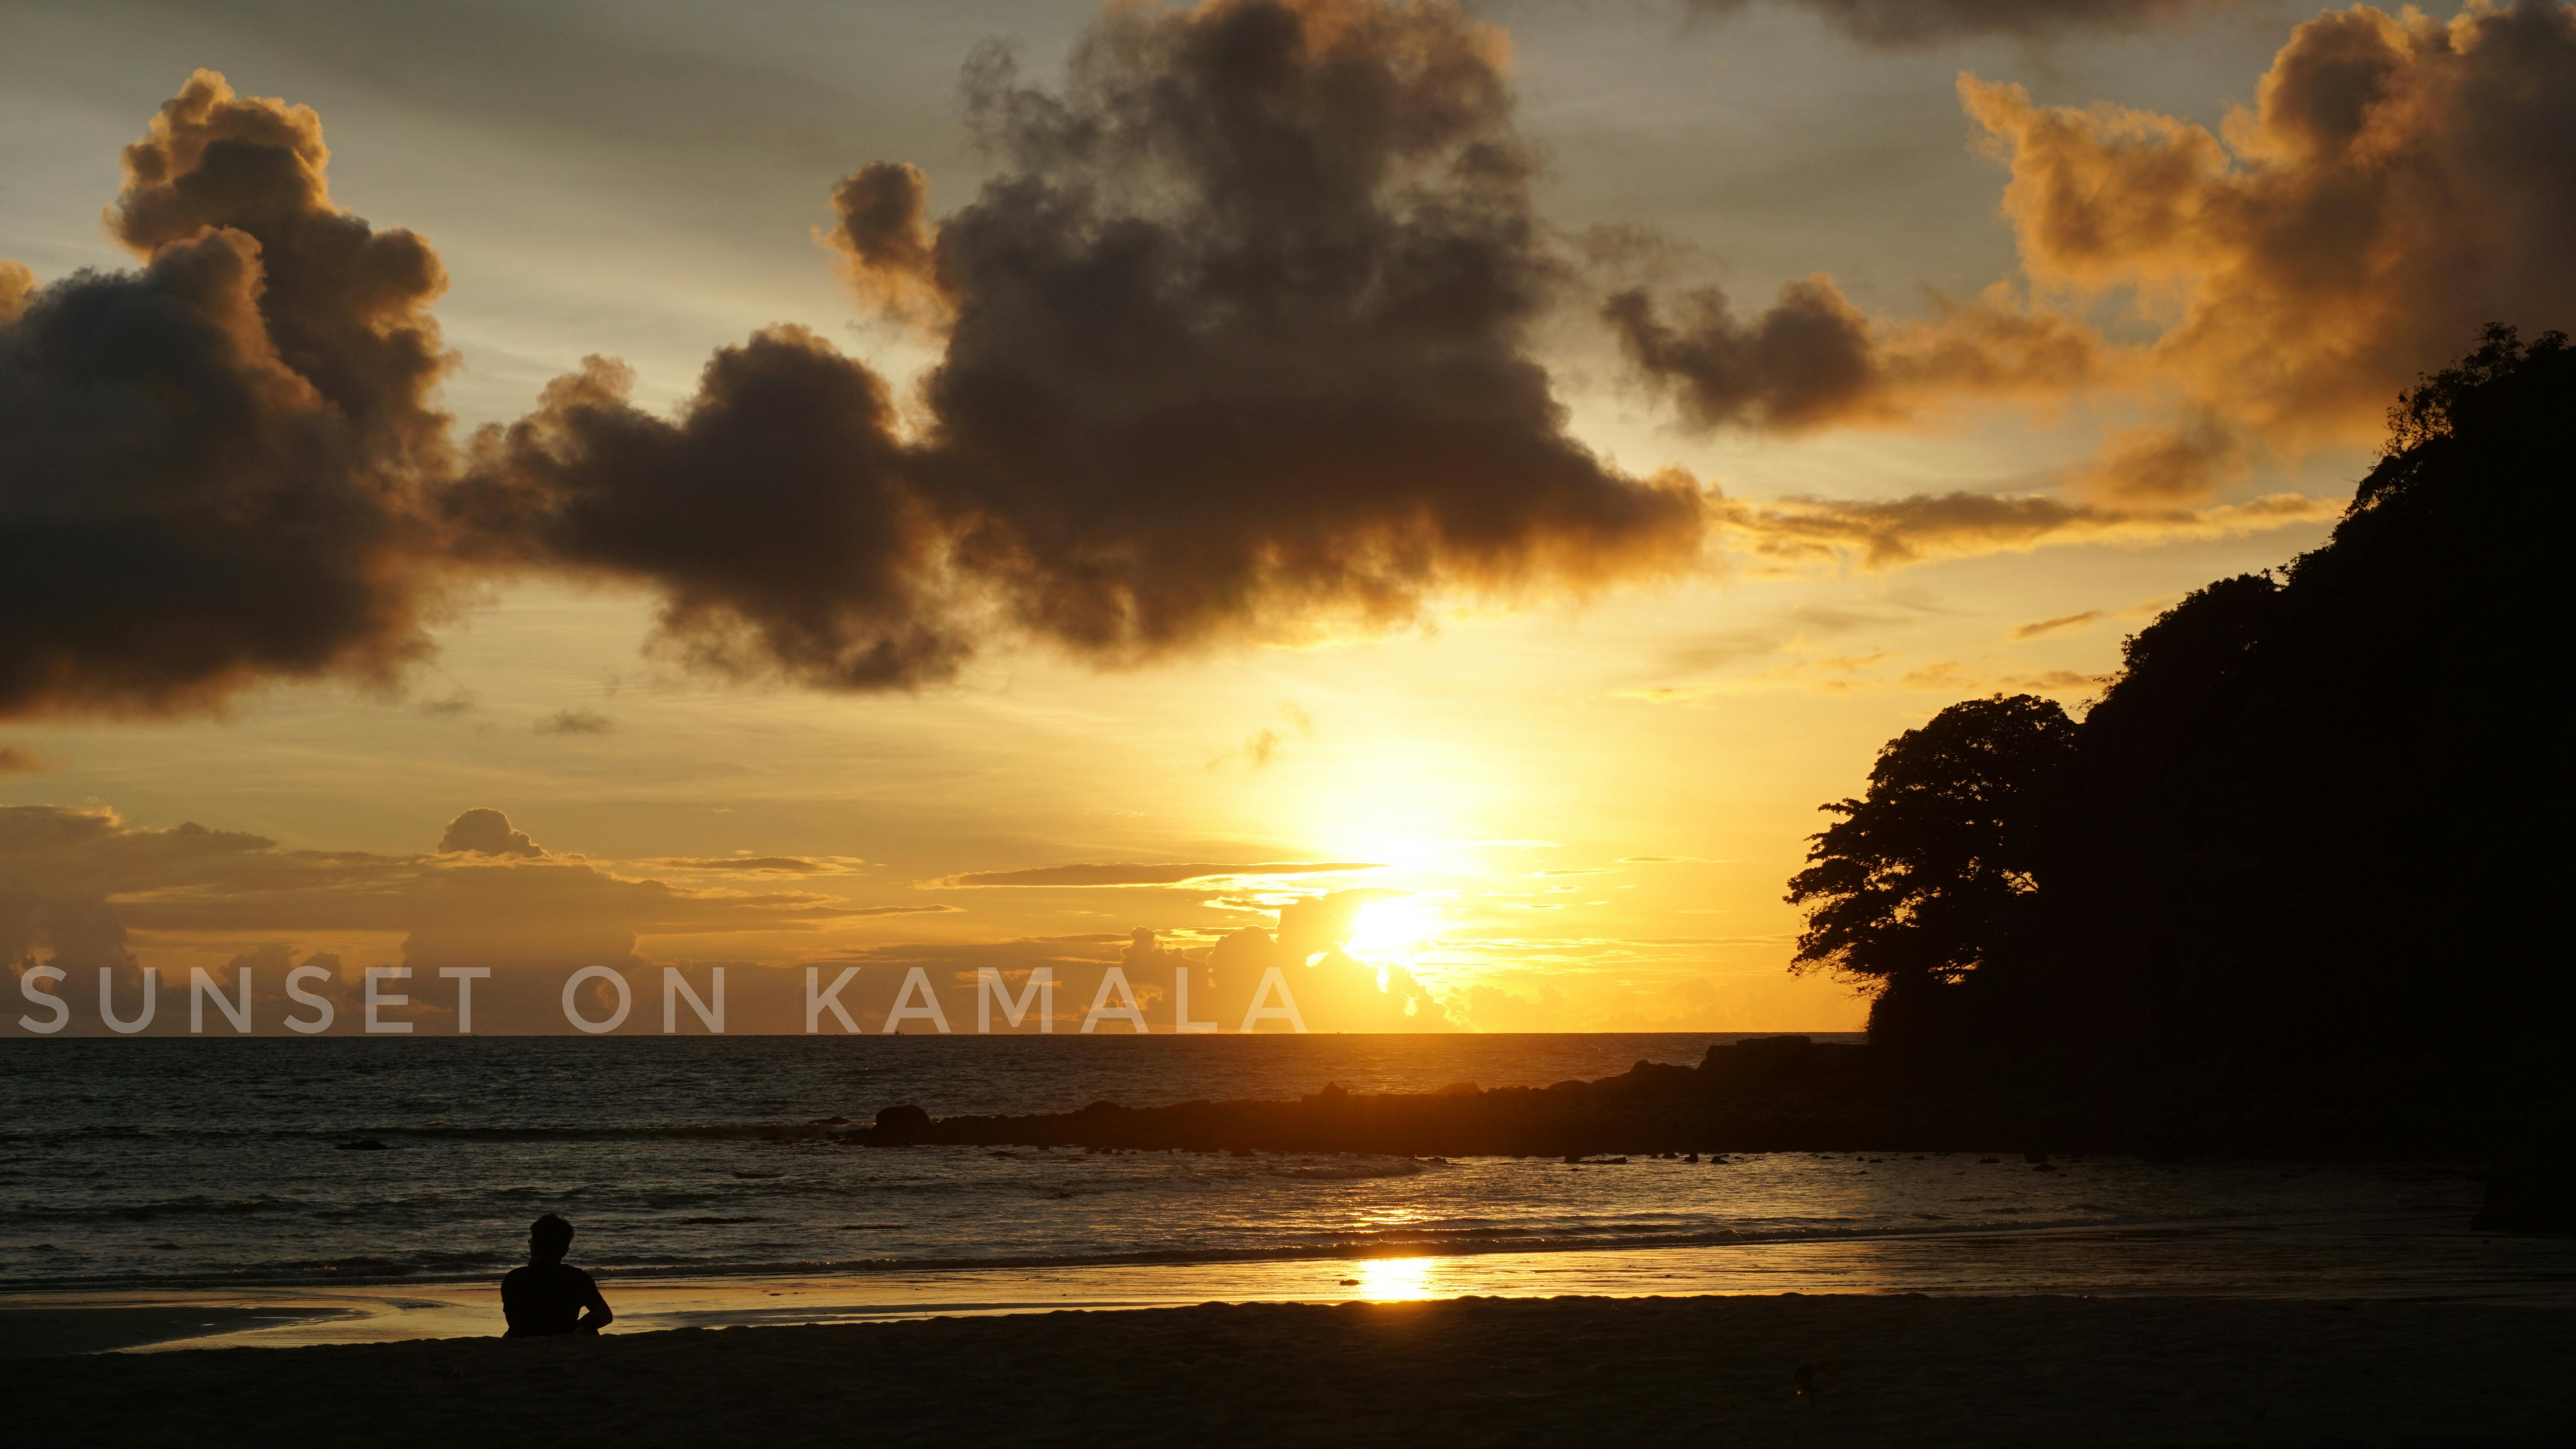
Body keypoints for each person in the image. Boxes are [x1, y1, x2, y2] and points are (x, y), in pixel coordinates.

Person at [501, 1212, 613, 1337]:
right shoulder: (577, 1279)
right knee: (591, 1332)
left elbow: (513, 1321)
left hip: (522, 1337)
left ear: (535, 1246)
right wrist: (578, 1324)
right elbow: (604, 1315)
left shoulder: (514, 1278)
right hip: (563, 1335)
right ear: (565, 1251)